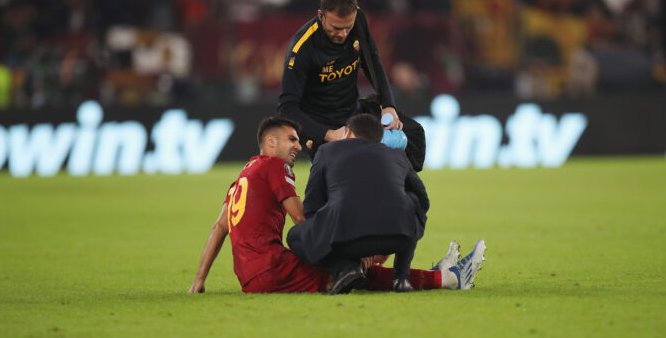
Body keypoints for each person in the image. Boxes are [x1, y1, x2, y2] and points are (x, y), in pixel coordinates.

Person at [188, 116, 486, 294]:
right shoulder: (274, 167)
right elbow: (302, 219)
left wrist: (199, 280)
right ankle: (447, 278)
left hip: (249, 276)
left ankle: (433, 273)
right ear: (270, 142)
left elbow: (218, 229)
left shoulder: (243, 176)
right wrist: (349, 253)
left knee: (344, 267)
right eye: (291, 139)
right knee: (353, 274)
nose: (298, 145)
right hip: (273, 270)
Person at [286, 114, 485, 293]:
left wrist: (326, 239)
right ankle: (402, 277)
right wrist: (405, 231)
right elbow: (422, 200)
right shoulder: (397, 155)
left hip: (346, 242)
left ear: (348, 132)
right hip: (396, 238)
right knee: (411, 201)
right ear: (379, 138)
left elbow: (312, 205)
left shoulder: (327, 151)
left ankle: (346, 268)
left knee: (295, 235)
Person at [278, 0, 403, 159]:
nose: (343, 34)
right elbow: (287, 108)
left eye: (348, 27)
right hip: (320, 126)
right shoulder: (302, 49)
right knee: (342, 172)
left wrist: (388, 104)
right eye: (336, 28)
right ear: (321, 15)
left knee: (407, 142)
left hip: (352, 116)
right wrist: (328, 134)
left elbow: (371, 60)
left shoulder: (358, 18)